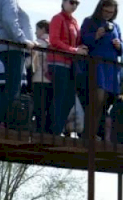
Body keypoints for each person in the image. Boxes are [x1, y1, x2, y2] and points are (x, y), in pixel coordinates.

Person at [80, 0, 123, 140]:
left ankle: (93, 133)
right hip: (96, 65)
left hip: (111, 68)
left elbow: (122, 49)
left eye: (111, 13)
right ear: (100, 9)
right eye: (106, 11)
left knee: (105, 101)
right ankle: (88, 133)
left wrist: (119, 46)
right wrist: (96, 36)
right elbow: (82, 40)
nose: (108, 15)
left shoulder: (115, 26)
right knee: (96, 99)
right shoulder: (89, 21)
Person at [0, 0, 31, 127]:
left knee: (11, 86)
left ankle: (1, 121)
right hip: (13, 47)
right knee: (13, 88)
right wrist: (22, 39)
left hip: (7, 46)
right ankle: (3, 122)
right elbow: (9, 20)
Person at [47, 0, 83, 134]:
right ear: (64, 2)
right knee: (60, 97)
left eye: (76, 3)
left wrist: (80, 48)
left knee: (67, 99)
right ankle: (54, 131)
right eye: (72, 2)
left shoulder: (74, 21)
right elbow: (54, 40)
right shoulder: (57, 18)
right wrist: (74, 50)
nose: (74, 5)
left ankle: (58, 129)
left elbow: (76, 42)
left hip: (70, 65)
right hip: (58, 63)